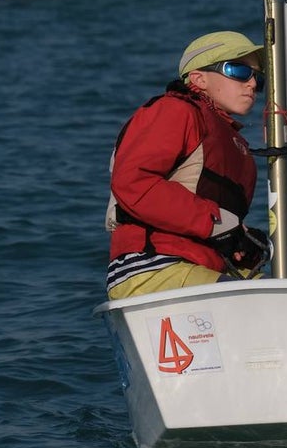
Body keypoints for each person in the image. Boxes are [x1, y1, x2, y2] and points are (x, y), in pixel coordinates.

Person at [105, 30, 271, 300]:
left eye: (258, 78)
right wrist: (217, 223)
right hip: (151, 267)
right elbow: (133, 182)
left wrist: (243, 242)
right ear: (199, 78)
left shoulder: (234, 143)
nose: (252, 83)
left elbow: (216, 222)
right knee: (269, 301)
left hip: (201, 266)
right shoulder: (175, 111)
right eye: (239, 71)